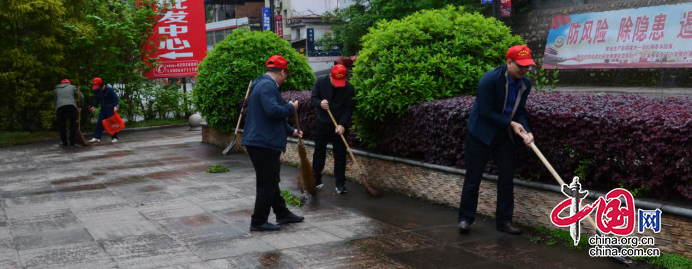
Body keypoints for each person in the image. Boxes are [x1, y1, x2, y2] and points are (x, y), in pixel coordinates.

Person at [458, 45, 536, 235]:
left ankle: (504, 221)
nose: (524, 70)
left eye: (527, 66)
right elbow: (486, 112)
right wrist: (511, 124)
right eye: (520, 66)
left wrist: (526, 131)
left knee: (507, 179)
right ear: (509, 62)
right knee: (473, 178)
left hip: (503, 135)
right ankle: (465, 219)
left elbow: (520, 112)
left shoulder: (525, 84)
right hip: (480, 134)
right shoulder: (489, 80)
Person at [241, 55, 305, 232]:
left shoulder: (263, 84)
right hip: (263, 142)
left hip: (261, 140)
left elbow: (269, 118)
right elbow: (273, 111)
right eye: (287, 74)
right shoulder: (268, 86)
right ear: (283, 72)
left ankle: (282, 213)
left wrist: (291, 131)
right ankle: (258, 221)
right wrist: (292, 108)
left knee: (271, 180)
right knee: (266, 183)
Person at [310, 64, 355, 194]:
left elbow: (349, 108)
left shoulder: (349, 88)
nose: (337, 85)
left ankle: (340, 184)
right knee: (319, 152)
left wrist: (342, 124)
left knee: (340, 155)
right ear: (330, 76)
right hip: (322, 123)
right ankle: (316, 179)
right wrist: (320, 103)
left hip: (338, 125)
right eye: (335, 81)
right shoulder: (320, 81)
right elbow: (313, 99)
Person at [88, 77, 120, 143]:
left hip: (111, 108)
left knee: (112, 123)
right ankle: (96, 137)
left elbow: (115, 98)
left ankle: (114, 137)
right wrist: (94, 106)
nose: (96, 87)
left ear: (101, 84)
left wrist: (116, 106)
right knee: (100, 122)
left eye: (97, 86)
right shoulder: (97, 90)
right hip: (103, 108)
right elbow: (97, 99)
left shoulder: (109, 89)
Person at [54, 79, 84, 149]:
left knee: (62, 125)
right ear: (68, 83)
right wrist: (80, 107)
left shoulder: (56, 89)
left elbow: (55, 101)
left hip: (60, 107)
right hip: (71, 106)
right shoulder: (72, 87)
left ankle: (64, 144)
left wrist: (56, 110)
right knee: (73, 124)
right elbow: (81, 96)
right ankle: (72, 144)